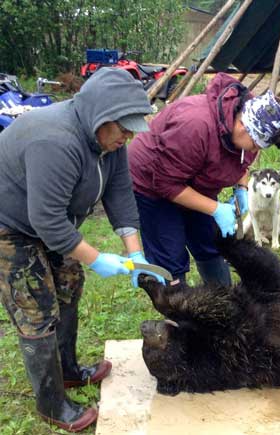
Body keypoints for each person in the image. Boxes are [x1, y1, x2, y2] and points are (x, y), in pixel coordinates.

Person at [0, 68, 164, 432]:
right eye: (123, 128)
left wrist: (135, 254)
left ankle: (70, 370)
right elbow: (45, 220)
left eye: (132, 129)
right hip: (9, 223)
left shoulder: (109, 143)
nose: (128, 136)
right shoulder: (55, 141)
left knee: (69, 284)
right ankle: (51, 402)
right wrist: (98, 257)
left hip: (50, 219)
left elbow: (120, 194)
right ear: (100, 118)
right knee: (36, 308)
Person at [128, 73, 280, 288]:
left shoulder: (246, 128)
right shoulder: (195, 125)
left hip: (195, 179)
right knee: (170, 251)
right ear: (243, 126)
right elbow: (166, 184)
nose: (255, 151)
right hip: (153, 182)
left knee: (210, 241)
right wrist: (215, 208)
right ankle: (178, 312)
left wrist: (241, 187)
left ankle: (223, 304)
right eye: (255, 145)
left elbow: (241, 159)